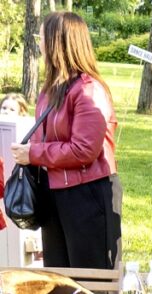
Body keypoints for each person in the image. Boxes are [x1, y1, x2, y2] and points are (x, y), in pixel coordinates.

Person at [10, 11, 119, 269]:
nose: (39, 44)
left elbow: (84, 150)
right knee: (59, 276)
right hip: (54, 193)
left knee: (92, 277)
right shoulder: (51, 89)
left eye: (42, 38)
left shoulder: (89, 90)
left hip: (87, 194)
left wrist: (33, 154)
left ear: (58, 43)